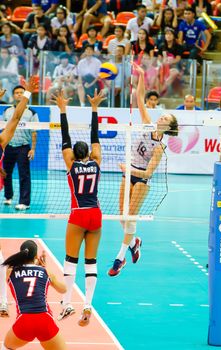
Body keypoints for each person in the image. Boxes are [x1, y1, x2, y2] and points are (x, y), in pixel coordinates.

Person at [108, 62, 179, 276]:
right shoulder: (147, 124)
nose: (161, 117)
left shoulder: (160, 147)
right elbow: (139, 99)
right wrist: (140, 75)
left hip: (140, 179)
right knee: (121, 216)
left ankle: (119, 259)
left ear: (169, 126)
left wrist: (128, 169)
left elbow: (148, 174)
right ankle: (134, 242)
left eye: (166, 118)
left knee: (130, 217)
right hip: (128, 171)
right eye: (162, 115)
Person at [51, 89, 105, 326]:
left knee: (70, 260)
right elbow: (96, 138)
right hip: (96, 214)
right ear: (90, 153)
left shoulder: (70, 163)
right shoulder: (97, 161)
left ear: (73, 153)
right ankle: (88, 305)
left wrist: (62, 110)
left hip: (78, 215)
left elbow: (65, 138)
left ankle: (66, 303)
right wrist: (94, 108)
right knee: (91, 262)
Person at [0, 77, 37, 316]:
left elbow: (14, 117)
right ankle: (2, 302)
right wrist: (28, 95)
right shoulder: (2, 141)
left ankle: (2, 302)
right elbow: (14, 118)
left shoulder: (2, 139)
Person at [1, 240, 67, 350]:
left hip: (24, 321)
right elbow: (63, 289)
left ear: (21, 253)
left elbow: (18, 270)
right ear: (36, 256)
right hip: (45, 320)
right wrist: (44, 267)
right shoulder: (45, 272)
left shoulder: (10, 272)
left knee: (7, 347)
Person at [3, 85, 39, 210]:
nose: (19, 94)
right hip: (8, 147)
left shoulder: (32, 113)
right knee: (5, 173)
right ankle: (8, 197)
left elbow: (34, 133)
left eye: (21, 93)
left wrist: (33, 149)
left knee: (24, 175)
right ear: (13, 95)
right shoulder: (7, 111)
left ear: (25, 95)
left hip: (23, 147)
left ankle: (24, 202)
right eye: (16, 93)